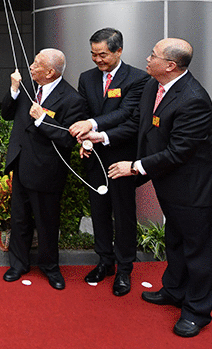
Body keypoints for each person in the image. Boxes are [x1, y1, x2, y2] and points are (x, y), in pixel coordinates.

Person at [82, 38, 212, 337]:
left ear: (170, 65)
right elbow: (140, 123)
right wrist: (101, 137)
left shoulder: (194, 100)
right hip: (169, 186)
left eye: (153, 55)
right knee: (175, 243)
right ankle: (174, 290)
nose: (147, 59)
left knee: (201, 255)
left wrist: (134, 166)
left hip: (195, 190)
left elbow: (178, 152)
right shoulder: (154, 85)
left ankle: (197, 312)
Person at [68, 28, 149, 296]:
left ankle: (125, 268)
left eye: (102, 54)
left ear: (118, 51)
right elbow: (83, 112)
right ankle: (105, 261)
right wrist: (86, 142)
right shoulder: (87, 78)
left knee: (123, 214)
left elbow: (129, 116)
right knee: (99, 212)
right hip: (95, 159)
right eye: (93, 54)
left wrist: (95, 130)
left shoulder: (138, 78)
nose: (97, 59)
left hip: (121, 158)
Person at [0, 48, 85, 290]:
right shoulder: (28, 87)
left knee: (47, 222)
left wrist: (41, 119)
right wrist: (14, 90)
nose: (31, 67)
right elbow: (7, 114)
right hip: (21, 162)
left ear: (50, 71)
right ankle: (18, 264)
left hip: (47, 170)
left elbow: (69, 139)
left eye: (36, 64)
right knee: (19, 218)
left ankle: (50, 267)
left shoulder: (71, 99)